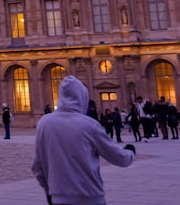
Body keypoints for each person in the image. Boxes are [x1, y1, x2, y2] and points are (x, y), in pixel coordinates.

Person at [32, 76, 136, 205]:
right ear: (82, 98)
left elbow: (37, 166)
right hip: (90, 198)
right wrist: (130, 152)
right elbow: (117, 157)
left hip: (58, 199)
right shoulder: (89, 125)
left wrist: (50, 192)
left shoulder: (44, 123)